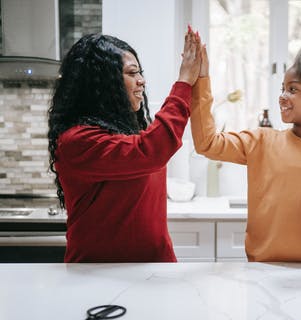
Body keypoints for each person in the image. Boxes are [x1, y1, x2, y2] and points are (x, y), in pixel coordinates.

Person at [191, 39, 301, 262]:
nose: (282, 96)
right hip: (264, 273)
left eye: (292, 89)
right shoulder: (261, 142)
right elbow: (207, 143)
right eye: (283, 89)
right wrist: (201, 80)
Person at [47, 28, 202, 263]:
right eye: (132, 73)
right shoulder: (78, 141)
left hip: (154, 268)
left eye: (139, 72)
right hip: (97, 275)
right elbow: (152, 150)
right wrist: (184, 82)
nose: (142, 81)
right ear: (102, 84)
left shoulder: (131, 133)